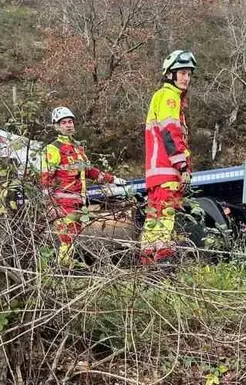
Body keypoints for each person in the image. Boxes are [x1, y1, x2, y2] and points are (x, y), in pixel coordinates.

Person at [41, 106, 127, 268]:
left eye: (70, 122)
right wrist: (49, 202)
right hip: (62, 201)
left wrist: (113, 179)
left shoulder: (78, 148)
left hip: (78, 201)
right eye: (64, 122)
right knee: (67, 237)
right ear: (57, 126)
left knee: (71, 236)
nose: (68, 125)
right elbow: (46, 177)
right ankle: (63, 270)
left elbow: (90, 171)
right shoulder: (53, 148)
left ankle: (65, 269)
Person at [140, 50, 197, 264]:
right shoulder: (169, 97)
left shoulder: (163, 97)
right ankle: (162, 264)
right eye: (182, 73)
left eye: (189, 74)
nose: (186, 78)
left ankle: (146, 265)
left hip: (157, 172)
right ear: (170, 74)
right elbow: (170, 133)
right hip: (167, 171)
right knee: (165, 219)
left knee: (154, 220)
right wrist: (182, 166)